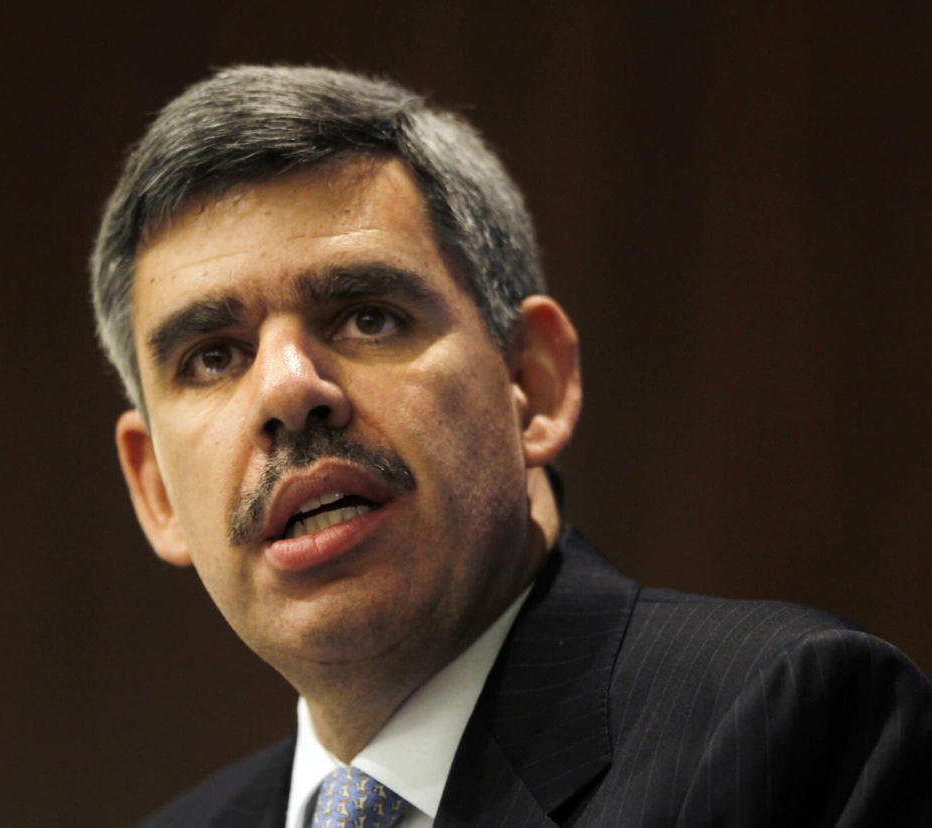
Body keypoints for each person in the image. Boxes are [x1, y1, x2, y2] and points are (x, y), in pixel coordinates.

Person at [90, 65, 932, 826]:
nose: (286, 390)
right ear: (156, 489)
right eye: (213, 358)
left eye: (368, 316)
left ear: (533, 382)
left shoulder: (787, 728)